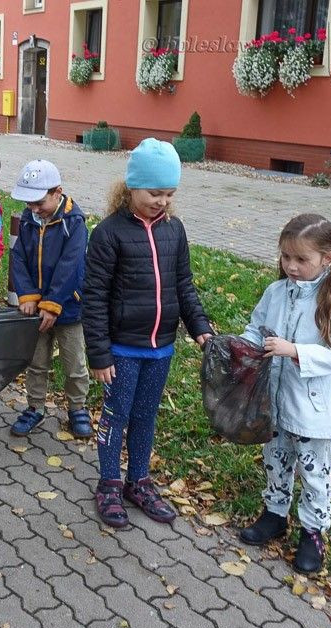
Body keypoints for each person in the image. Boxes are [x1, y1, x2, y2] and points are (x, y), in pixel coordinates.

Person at [82, 138, 213, 529]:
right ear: (131, 187)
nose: (163, 201)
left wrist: (200, 328)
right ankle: (108, 482)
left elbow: (184, 285)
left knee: (145, 416)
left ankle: (137, 480)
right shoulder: (109, 233)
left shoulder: (175, 231)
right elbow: (94, 297)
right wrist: (99, 354)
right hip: (121, 349)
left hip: (160, 348)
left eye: (169, 194)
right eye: (154, 192)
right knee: (115, 414)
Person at [237, 214, 331, 574]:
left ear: (328, 258)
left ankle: (313, 531)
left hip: (313, 409)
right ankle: (275, 514)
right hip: (274, 399)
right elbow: (257, 328)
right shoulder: (275, 292)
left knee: (314, 471)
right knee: (276, 460)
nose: (291, 266)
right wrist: (242, 347)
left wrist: (296, 351)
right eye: (286, 257)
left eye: (301, 259)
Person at [8, 160, 92, 439]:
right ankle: (35, 406)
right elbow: (18, 257)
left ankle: (77, 407)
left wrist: (53, 303)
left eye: (39, 202)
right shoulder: (31, 220)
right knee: (37, 360)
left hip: (69, 308)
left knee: (74, 363)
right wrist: (28, 295)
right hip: (36, 310)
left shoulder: (74, 223)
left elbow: (71, 266)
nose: (33, 209)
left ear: (57, 192)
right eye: (29, 203)